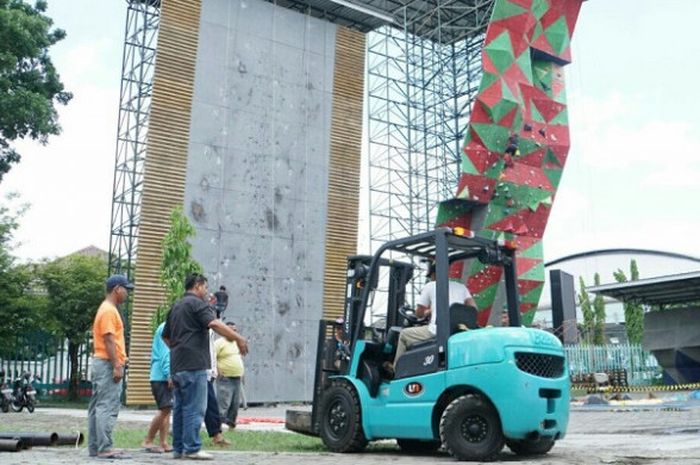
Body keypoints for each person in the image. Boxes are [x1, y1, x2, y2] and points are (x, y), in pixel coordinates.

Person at [163, 273, 248, 460]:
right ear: (198, 285)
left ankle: (179, 449)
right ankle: (192, 448)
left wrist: (180, 349)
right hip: (194, 365)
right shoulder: (197, 304)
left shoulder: (175, 307)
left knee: (180, 409)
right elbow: (214, 324)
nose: (207, 291)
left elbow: (166, 336)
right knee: (194, 408)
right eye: (206, 287)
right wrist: (238, 338)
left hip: (177, 365)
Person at [391, 263, 477, 369]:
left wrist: (428, 312)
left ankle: (395, 369)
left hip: (437, 331)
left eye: (431, 276)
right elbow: (473, 309)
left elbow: (418, 314)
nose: (431, 278)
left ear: (434, 274)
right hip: (456, 331)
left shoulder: (430, 286)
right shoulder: (461, 287)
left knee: (404, 334)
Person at [87, 275, 133, 459]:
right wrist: (116, 365)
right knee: (107, 406)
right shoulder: (108, 311)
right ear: (117, 289)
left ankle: (96, 447)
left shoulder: (107, 309)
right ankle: (105, 447)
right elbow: (108, 338)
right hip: (107, 363)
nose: (127, 294)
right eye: (126, 289)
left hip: (102, 362)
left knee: (97, 407)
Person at [142, 321, 173, 453]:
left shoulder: (170, 327)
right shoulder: (166, 328)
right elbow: (165, 353)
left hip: (162, 375)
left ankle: (163, 442)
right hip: (161, 376)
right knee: (164, 408)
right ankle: (148, 440)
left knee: (167, 409)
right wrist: (169, 374)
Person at [215, 322, 245, 429]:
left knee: (235, 404)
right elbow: (212, 357)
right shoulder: (219, 343)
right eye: (231, 330)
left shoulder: (237, 343)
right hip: (225, 378)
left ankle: (231, 424)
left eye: (235, 330)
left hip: (237, 377)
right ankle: (218, 428)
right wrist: (217, 370)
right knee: (224, 403)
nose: (234, 332)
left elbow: (239, 357)